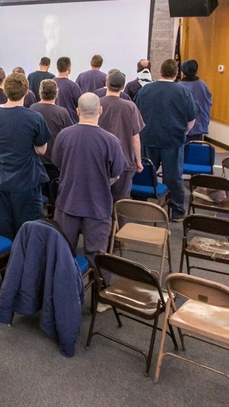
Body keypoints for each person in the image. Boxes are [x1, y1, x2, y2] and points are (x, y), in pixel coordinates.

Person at [51, 93, 127, 266]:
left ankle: (63, 291)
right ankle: (96, 291)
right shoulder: (111, 141)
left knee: (63, 255)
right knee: (97, 259)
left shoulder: (64, 135)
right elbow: (117, 173)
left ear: (77, 111)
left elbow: (57, 163)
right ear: (100, 110)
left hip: (67, 204)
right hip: (98, 207)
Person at [0, 73, 51, 241]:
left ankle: (8, 265)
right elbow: (42, 150)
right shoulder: (34, 118)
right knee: (29, 233)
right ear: (26, 92)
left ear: (5, 91)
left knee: (6, 232)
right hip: (26, 183)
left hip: (0, 182)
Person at [136, 59, 196, 221]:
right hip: (173, 139)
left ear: (160, 71)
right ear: (176, 73)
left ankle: (139, 203)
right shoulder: (183, 92)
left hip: (148, 137)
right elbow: (192, 118)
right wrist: (184, 131)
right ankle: (177, 210)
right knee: (173, 176)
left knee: (146, 171)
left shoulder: (145, 90)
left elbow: (137, 114)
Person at [98, 70, 145, 202]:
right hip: (124, 161)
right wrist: (138, 161)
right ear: (123, 87)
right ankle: (118, 223)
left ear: (106, 83)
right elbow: (135, 137)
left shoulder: (97, 104)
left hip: (100, 159)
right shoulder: (130, 107)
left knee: (99, 200)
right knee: (120, 202)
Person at [29, 79, 74, 182]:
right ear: (56, 93)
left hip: (35, 159)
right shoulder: (62, 112)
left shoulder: (32, 108)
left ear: (40, 92)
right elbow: (69, 134)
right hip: (55, 161)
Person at [179, 59, 212, 141]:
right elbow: (207, 104)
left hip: (183, 127)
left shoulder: (179, 87)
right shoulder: (203, 85)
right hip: (200, 125)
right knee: (196, 150)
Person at [54, 56, 81, 124]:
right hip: (70, 122)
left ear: (57, 67)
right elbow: (80, 104)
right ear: (69, 68)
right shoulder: (74, 86)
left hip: (54, 122)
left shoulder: (50, 84)